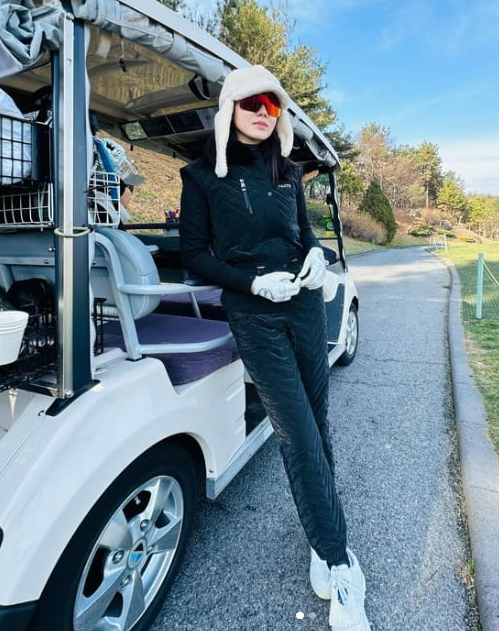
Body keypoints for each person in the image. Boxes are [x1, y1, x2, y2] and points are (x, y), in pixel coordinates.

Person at [179, 65, 371, 631]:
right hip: (255, 312)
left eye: (272, 105)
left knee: (318, 420)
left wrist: (318, 259)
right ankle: (341, 563)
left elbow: (303, 234)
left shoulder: (289, 171)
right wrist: (252, 283)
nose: (264, 113)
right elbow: (195, 255)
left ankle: (320, 538)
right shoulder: (202, 176)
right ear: (230, 109)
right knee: (296, 431)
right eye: (252, 104)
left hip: (305, 305)